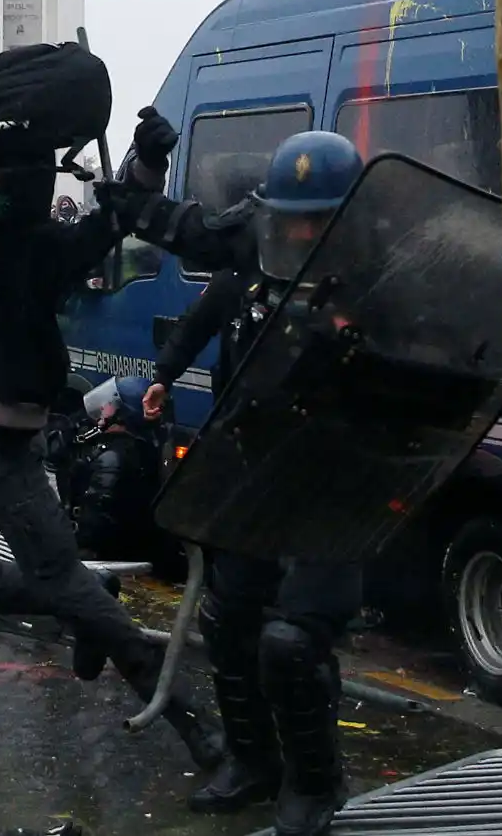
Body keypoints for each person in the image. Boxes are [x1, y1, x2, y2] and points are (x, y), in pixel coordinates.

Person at [0, 106, 223, 772]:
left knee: (60, 579)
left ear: (17, 182)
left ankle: (187, 719)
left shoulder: (42, 247)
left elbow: (113, 221)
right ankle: (88, 601)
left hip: (5, 454)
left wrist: (146, 165)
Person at [100, 128, 366, 835]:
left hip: (334, 488)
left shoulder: (381, 284)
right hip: (252, 474)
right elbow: (193, 252)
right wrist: (163, 375)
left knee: (294, 641)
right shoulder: (252, 265)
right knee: (228, 619)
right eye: (291, 220)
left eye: (317, 220)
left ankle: (315, 784)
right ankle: (252, 760)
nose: (301, 234)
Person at [55, 377, 179, 575]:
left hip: (112, 559)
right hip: (133, 552)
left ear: (123, 415)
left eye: (109, 405)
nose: (103, 408)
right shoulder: (145, 447)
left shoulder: (113, 458)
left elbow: (94, 528)